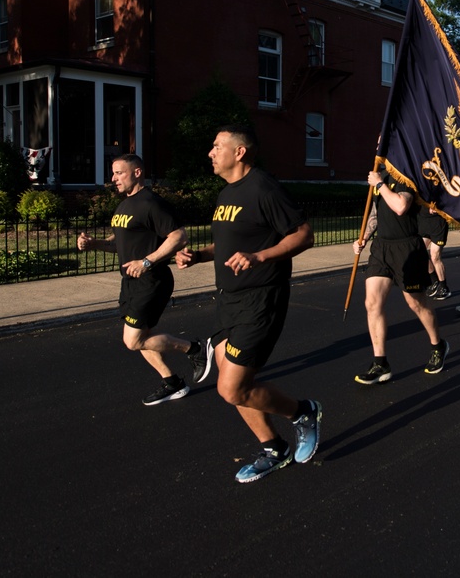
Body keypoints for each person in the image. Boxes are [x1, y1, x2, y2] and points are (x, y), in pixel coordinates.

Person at [175, 125, 321, 484]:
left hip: (261, 299)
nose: (210, 152)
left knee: (231, 388)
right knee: (231, 379)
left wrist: (260, 257)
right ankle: (275, 449)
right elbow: (230, 245)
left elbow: (304, 234)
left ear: (239, 152)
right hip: (229, 300)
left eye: (216, 146)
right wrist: (200, 256)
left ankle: (303, 413)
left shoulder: (262, 187)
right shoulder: (227, 193)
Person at [77, 154, 207, 406]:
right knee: (141, 337)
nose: (113, 179)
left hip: (152, 280)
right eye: (113, 173)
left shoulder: (150, 203)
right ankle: (172, 383)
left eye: (119, 173)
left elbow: (179, 237)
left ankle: (194, 348)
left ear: (137, 172)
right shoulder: (124, 206)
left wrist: (147, 261)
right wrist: (94, 244)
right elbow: (121, 244)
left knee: (133, 340)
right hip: (130, 282)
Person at [352, 169, 449, 383]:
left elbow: (400, 206)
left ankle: (438, 346)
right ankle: (380, 363)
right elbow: (376, 213)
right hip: (381, 249)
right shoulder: (381, 175)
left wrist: (379, 184)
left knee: (416, 303)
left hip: (407, 247)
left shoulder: (406, 176)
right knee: (372, 303)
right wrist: (365, 237)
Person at [417, 208, 452, 300]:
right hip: (423, 222)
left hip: (438, 224)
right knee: (419, 252)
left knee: (435, 256)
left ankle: (444, 287)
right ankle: (434, 281)